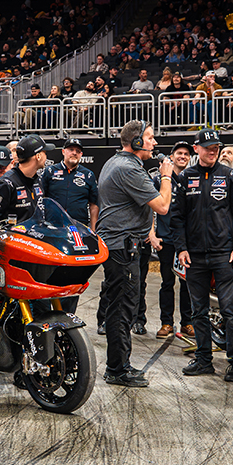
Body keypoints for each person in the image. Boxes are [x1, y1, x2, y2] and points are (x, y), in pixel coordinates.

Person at [95, 120, 174, 388]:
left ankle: (120, 364)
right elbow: (162, 206)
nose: (155, 143)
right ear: (136, 142)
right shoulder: (129, 168)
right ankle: (116, 369)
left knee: (123, 307)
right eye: (150, 138)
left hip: (121, 245)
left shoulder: (116, 162)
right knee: (122, 309)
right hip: (122, 248)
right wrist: (166, 175)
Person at [170, 128, 233, 382]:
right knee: (199, 312)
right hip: (194, 257)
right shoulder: (185, 178)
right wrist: (181, 248)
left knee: (229, 311)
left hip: (223, 255)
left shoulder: (229, 176)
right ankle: (204, 360)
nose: (213, 150)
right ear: (197, 149)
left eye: (216, 146)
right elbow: (177, 218)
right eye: (208, 147)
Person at [39, 137, 98, 312]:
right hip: (52, 231)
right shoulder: (49, 172)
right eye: (71, 149)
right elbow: (40, 200)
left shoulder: (88, 175)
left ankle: (67, 314)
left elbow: (94, 205)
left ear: (81, 155)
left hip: (77, 233)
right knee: (49, 270)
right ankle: (44, 311)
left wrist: (93, 230)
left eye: (78, 151)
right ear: (63, 152)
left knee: (73, 273)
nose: (74, 153)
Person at [150, 141, 194, 340]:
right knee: (167, 282)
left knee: (187, 284)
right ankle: (166, 323)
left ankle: (187, 323)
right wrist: (151, 233)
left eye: (186, 153)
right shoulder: (160, 178)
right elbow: (148, 209)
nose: (182, 156)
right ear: (172, 156)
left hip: (187, 241)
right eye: (179, 153)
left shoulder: (194, 178)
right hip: (166, 239)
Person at [0, 135, 52, 227]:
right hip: (13, 240)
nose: (46, 157)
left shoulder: (37, 180)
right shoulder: (6, 184)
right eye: (44, 152)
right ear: (38, 156)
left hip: (34, 238)